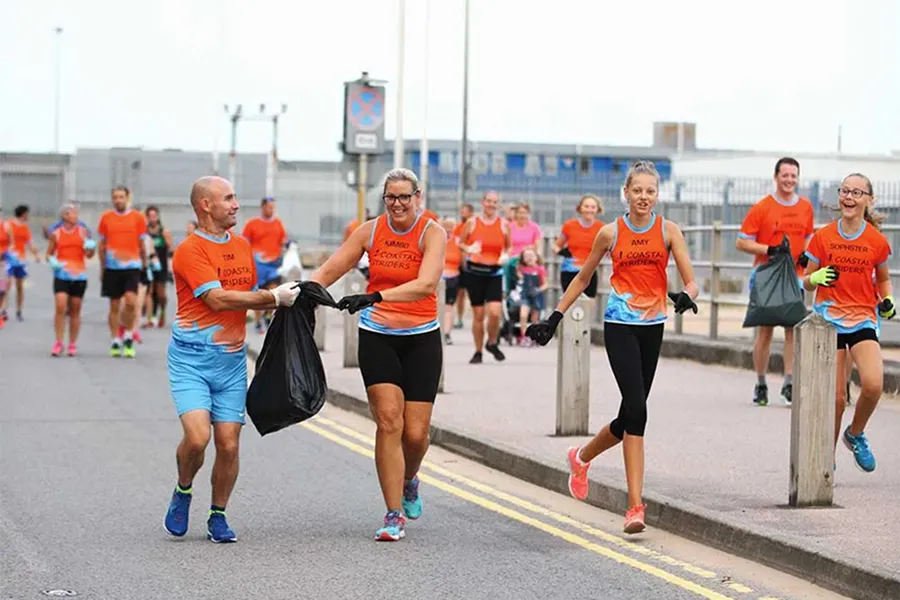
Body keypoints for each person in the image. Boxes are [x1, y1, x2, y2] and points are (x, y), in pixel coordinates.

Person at [526, 161, 699, 534]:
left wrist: (686, 296)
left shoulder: (669, 231)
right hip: (619, 323)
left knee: (630, 416)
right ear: (626, 192)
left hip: (653, 326)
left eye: (650, 191)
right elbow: (584, 276)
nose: (643, 197)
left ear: (657, 194)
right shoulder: (610, 233)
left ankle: (582, 456)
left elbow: (691, 280)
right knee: (638, 408)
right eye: (637, 190)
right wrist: (554, 318)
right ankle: (635, 506)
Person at [310, 168, 446, 542]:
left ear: (418, 196)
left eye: (405, 197)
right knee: (389, 422)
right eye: (391, 197)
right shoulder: (370, 231)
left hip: (421, 338)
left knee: (416, 435)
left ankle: (409, 478)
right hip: (377, 336)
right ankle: (393, 514)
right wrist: (296, 294)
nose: (398, 204)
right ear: (383, 199)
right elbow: (331, 267)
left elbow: (426, 284)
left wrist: (375, 296)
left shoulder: (432, 233)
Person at [163, 176, 300, 543]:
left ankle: (218, 515)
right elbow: (219, 299)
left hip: (231, 363)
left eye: (236, 196)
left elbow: (246, 297)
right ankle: (183, 488)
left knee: (229, 444)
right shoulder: (189, 250)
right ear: (205, 205)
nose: (236, 204)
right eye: (228, 198)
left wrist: (282, 312)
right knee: (197, 439)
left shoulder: (242, 247)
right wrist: (273, 299)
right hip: (192, 360)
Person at [802, 172, 893, 474]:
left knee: (873, 384)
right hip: (829, 320)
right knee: (837, 397)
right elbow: (807, 281)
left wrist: (888, 300)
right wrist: (813, 278)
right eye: (845, 191)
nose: (849, 197)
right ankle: (824, 460)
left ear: (869, 200)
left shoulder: (876, 241)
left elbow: (883, 279)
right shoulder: (823, 237)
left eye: (857, 192)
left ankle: (854, 434)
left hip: (863, 318)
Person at [736, 157, 814, 406]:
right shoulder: (762, 208)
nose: (789, 180)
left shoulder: (805, 207)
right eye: (785, 175)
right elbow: (742, 241)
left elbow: (810, 236)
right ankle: (761, 383)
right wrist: (770, 249)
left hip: (796, 277)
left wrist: (807, 254)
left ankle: (789, 382)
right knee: (766, 332)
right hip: (767, 276)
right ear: (776, 177)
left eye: (794, 176)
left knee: (793, 331)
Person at [458, 191, 510, 364]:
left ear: (498, 205)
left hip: (494, 272)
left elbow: (508, 247)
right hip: (475, 272)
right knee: (478, 314)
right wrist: (469, 249)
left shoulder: (503, 224)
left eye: (494, 202)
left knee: (495, 312)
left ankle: (492, 341)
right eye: (488, 201)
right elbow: (460, 242)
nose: (491, 205)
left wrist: (505, 256)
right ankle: (478, 350)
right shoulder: (472, 222)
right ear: (482, 202)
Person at [98, 186, 149, 358]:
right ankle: (115, 339)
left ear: (127, 198)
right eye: (115, 197)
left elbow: (142, 244)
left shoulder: (137, 218)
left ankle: (128, 334)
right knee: (113, 305)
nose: (118, 200)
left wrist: (145, 265)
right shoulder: (106, 218)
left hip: (132, 266)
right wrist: (102, 267)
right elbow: (102, 245)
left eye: (121, 197)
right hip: (112, 267)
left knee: (130, 302)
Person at [46, 204, 95, 356]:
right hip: (62, 275)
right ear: (65, 216)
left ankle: (72, 343)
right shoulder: (56, 233)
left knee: (75, 309)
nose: (75, 215)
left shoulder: (83, 232)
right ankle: (59, 341)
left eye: (76, 213)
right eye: (72, 213)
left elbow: (89, 255)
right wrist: (53, 262)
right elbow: (49, 253)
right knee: (60, 306)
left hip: (79, 275)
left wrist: (90, 248)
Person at [241, 197, 288, 335]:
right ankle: (257, 321)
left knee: (273, 290)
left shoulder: (278, 224)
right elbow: (244, 242)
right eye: (269, 207)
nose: (271, 210)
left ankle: (268, 314)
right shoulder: (252, 224)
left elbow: (283, 240)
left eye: (273, 207)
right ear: (262, 207)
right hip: (258, 264)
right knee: (258, 293)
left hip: (273, 263)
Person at [554, 195, 605, 298]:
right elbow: (556, 246)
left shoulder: (602, 228)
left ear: (597, 209)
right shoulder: (569, 225)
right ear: (580, 208)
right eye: (586, 206)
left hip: (589, 271)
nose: (589, 210)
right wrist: (562, 252)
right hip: (569, 270)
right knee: (569, 303)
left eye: (592, 207)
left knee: (589, 302)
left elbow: (609, 249)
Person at [4, 205, 42, 322]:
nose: (28, 216)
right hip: (9, 258)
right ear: (23, 214)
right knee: (7, 284)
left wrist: (36, 254)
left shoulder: (25, 228)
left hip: (21, 260)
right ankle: (4, 309)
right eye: (27, 214)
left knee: (20, 286)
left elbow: (30, 243)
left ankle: (19, 310)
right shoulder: (8, 224)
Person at [143, 206, 174, 328]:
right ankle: (151, 318)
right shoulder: (144, 232)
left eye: (154, 216)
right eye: (150, 216)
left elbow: (170, 249)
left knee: (160, 294)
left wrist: (171, 267)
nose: (152, 218)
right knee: (149, 292)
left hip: (161, 266)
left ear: (158, 216)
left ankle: (162, 311)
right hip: (148, 266)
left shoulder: (163, 231)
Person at [515, 247, 548, 345]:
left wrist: (539, 290)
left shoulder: (540, 269)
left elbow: (546, 284)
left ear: (536, 257)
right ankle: (524, 336)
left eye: (531, 256)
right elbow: (519, 279)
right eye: (526, 256)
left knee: (535, 318)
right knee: (523, 315)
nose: (529, 258)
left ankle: (533, 336)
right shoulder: (521, 269)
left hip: (536, 295)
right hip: (525, 294)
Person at [452, 203, 474, 329]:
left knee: (470, 292)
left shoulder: (472, 227)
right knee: (459, 293)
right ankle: (459, 317)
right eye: (461, 211)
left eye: (465, 211)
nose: (462, 214)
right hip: (457, 263)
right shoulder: (458, 227)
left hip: (470, 262)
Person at [441, 217, 462, 345]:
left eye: (451, 227)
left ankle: (447, 332)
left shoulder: (458, 241)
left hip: (453, 277)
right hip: (438, 278)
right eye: (446, 226)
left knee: (449, 307)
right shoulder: (437, 240)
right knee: (438, 307)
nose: (448, 230)